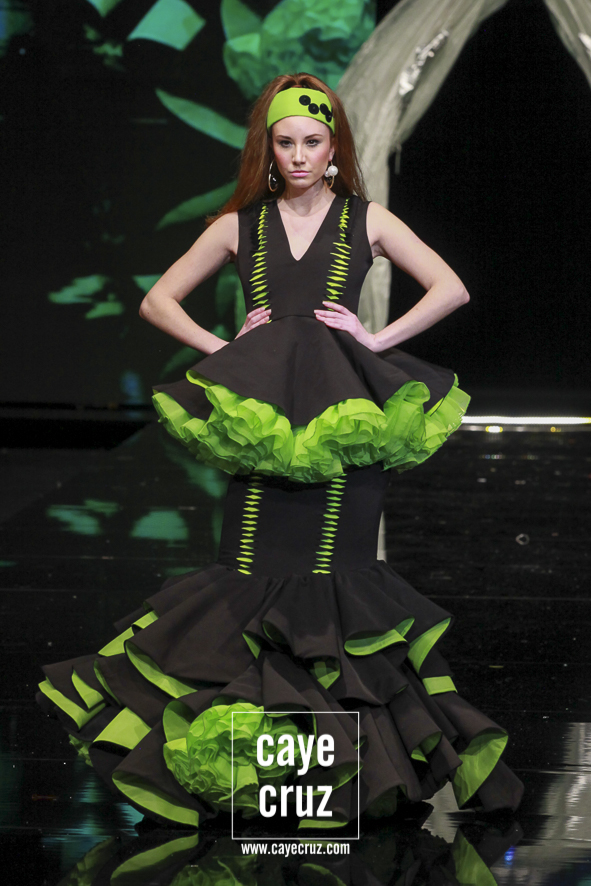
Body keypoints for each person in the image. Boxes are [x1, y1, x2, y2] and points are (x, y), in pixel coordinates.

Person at [37, 72, 523, 830]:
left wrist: (373, 339)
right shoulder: (240, 225)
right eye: (285, 141)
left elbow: (449, 288)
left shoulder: (366, 219)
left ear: (334, 149)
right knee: (251, 575)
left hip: (343, 418)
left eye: (312, 142)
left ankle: (340, 771)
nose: (298, 155)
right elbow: (158, 299)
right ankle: (260, 767)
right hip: (263, 418)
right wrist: (222, 346)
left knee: (337, 575)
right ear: (268, 149)